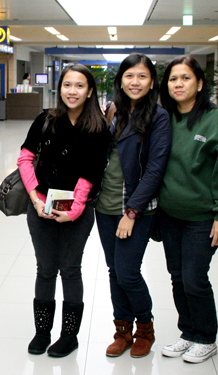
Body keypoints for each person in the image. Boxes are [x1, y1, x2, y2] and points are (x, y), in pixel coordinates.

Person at [17, 64, 110, 358]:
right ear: (60, 88)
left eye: (80, 86)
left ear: (90, 91)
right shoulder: (46, 119)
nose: (73, 91)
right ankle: (42, 332)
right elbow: (25, 156)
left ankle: (69, 336)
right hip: (41, 204)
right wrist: (34, 199)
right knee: (45, 270)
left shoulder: (98, 128)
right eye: (68, 85)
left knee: (70, 269)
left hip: (76, 211)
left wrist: (75, 209)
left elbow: (92, 172)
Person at [156, 56, 218, 363]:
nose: (178, 84)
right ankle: (188, 332)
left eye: (185, 78)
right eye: (172, 79)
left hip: (202, 217)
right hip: (169, 215)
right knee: (177, 276)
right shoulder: (164, 117)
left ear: (199, 83)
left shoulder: (213, 119)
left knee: (195, 278)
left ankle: (206, 337)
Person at [95, 54, 171, 358]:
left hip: (135, 208)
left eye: (142, 76)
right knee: (115, 270)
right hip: (105, 206)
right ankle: (122, 331)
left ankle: (145, 328)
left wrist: (132, 212)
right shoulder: (115, 111)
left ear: (152, 81)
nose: (135, 82)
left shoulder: (159, 116)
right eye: (129, 76)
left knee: (128, 272)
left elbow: (155, 168)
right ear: (121, 80)